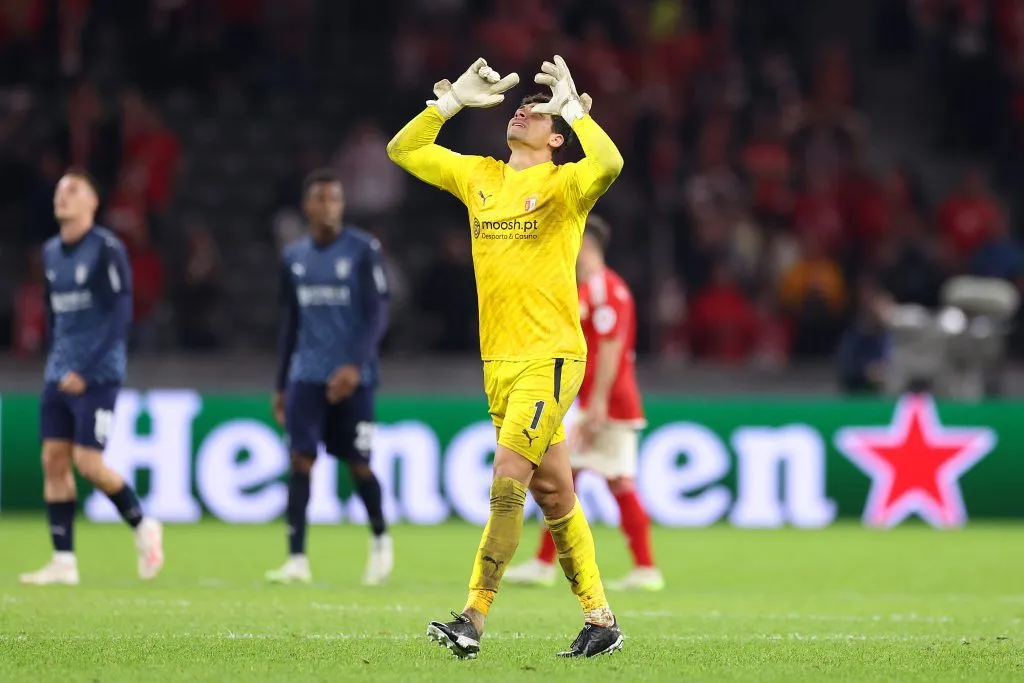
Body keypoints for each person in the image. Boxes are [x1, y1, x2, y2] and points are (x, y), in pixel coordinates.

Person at [387, 56, 624, 659]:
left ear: (556, 138)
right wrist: (448, 104)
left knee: (507, 479)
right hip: (499, 363)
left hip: (551, 357)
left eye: (539, 112)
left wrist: (575, 111)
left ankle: (473, 617)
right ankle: (601, 620)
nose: (523, 111)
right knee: (555, 494)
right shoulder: (480, 176)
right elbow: (402, 150)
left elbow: (610, 163)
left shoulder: (565, 186)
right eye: (521, 107)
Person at [504, 215, 664, 591]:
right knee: (566, 479)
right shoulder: (592, 289)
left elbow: (610, 348)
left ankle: (644, 567)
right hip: (596, 401)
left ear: (584, 245)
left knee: (611, 481)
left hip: (609, 404)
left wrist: (597, 406)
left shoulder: (605, 289)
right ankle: (546, 563)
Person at [20, 170, 164, 586]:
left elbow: (121, 314)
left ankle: (143, 525)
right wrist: (57, 358)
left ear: (92, 202)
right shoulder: (50, 252)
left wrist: (86, 368)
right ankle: (63, 561)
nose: (62, 196)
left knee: (88, 463)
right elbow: (53, 311)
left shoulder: (106, 248)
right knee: (53, 459)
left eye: (73, 190)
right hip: (59, 373)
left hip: (97, 375)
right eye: (59, 190)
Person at [266, 169, 393, 586]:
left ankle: (380, 541)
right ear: (307, 206)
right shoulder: (294, 257)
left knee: (359, 464)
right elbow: (289, 323)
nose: (329, 207)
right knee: (300, 460)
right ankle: (296, 559)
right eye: (321, 199)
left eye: (335, 199)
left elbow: (377, 314)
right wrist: (280, 384)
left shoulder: (363, 249)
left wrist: (355, 365)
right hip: (306, 374)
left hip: (354, 378)